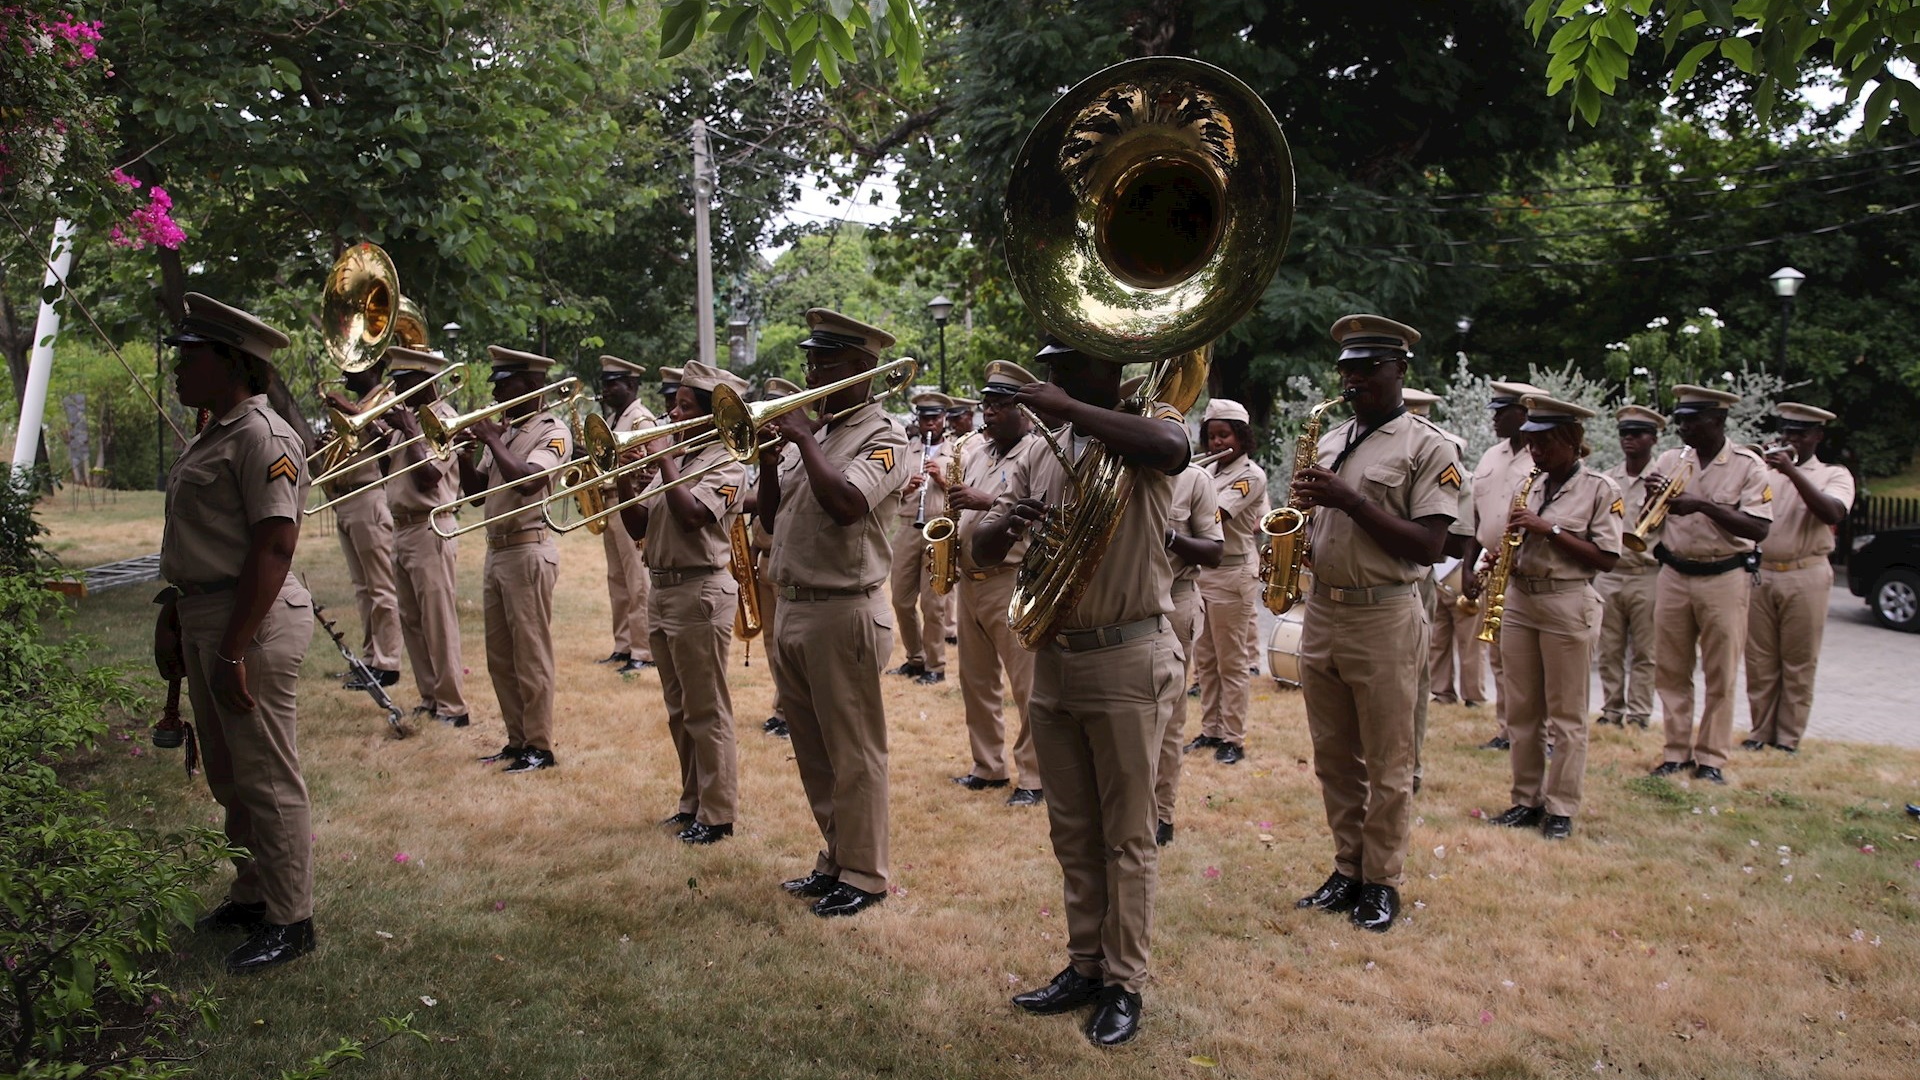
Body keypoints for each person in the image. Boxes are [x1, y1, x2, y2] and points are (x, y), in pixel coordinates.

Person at [974, 337, 1191, 1048]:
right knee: (1072, 831)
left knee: (1127, 834)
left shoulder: (1147, 423)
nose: (1051, 377)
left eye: (1067, 366)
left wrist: (1070, 409)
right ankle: (1085, 963)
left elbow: (1168, 446)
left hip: (1129, 654)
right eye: (1050, 368)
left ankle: (1124, 983)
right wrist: (1008, 521)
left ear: (1107, 368)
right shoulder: (1043, 445)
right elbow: (980, 548)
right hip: (1056, 656)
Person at [154, 293, 317, 973]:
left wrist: (229, 650)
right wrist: (177, 609)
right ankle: (253, 896)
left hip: (250, 621)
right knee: (230, 775)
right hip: (208, 612)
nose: (177, 369)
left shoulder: (262, 435)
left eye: (189, 357)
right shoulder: (216, 429)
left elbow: (274, 549)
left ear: (231, 362)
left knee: (266, 775)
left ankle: (291, 919)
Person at [1290, 315, 1459, 934]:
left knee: (1388, 760)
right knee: (1334, 756)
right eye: (1347, 369)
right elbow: (1318, 520)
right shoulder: (1332, 439)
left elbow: (1429, 546)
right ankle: (1348, 865)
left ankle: (1382, 880)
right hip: (1324, 610)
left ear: (1399, 372)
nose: (1355, 379)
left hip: (1385, 613)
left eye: (1368, 369)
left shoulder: (1429, 447)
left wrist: (1350, 501)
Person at [759, 308, 908, 919]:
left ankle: (866, 874)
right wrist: (771, 459)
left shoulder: (886, 436)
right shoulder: (816, 436)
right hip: (794, 606)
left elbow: (847, 503)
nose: (812, 371)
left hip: (844, 610)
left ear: (864, 370)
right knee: (814, 748)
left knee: (854, 751)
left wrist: (798, 438)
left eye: (827, 362)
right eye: (811, 359)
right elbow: (770, 521)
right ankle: (835, 859)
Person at [614, 360, 750, 844]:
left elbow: (692, 515)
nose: (672, 414)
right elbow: (637, 526)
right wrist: (624, 478)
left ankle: (718, 814)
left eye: (684, 407)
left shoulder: (729, 464)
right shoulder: (682, 458)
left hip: (701, 592)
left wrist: (660, 456)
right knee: (678, 708)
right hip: (664, 588)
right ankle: (691, 802)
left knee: (706, 707)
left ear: (712, 416)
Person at [1482, 396, 1621, 840]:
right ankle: (1526, 798)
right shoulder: (1531, 484)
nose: (1535, 452)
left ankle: (1561, 806)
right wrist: (1499, 555)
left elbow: (1607, 558)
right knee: (1523, 710)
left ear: (1571, 441)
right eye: (1529, 443)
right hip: (1522, 600)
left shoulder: (1600, 488)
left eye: (1543, 443)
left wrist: (1551, 530)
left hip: (1567, 601)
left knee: (1567, 714)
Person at [930, 362, 1047, 804]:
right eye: (987, 404)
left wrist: (985, 500)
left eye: (1000, 405)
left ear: (1025, 411)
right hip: (970, 581)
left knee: (1027, 686)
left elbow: (1043, 512)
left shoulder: (1038, 452)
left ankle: (1034, 777)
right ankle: (988, 766)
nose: (989, 413)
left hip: (1012, 579)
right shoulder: (977, 453)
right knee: (976, 682)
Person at [1645, 384, 1772, 785]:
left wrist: (1701, 504)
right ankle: (1676, 751)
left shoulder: (1748, 465)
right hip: (1674, 573)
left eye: (1690, 420)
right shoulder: (1669, 460)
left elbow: (1758, 527)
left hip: (1724, 575)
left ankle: (1712, 757)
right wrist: (1653, 499)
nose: (1681, 427)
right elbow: (1651, 520)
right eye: (1679, 419)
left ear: (1717, 421)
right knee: (1671, 669)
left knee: (1721, 672)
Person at [456, 347, 574, 774]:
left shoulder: (553, 429)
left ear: (534, 385)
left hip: (528, 549)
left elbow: (530, 481)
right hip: (497, 550)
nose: (497, 390)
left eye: (506, 383)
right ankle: (516, 739)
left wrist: (490, 438)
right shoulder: (505, 431)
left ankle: (539, 746)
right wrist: (465, 454)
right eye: (497, 383)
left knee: (531, 654)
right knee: (500, 656)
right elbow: (476, 494)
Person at [1744, 402, 1853, 753]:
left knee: (1798, 662)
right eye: (1787, 432)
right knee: (1760, 660)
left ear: (1817, 437)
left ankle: (1787, 739)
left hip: (1805, 574)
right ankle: (1760, 733)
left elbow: (1831, 511)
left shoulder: (1833, 474)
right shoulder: (1764, 472)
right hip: (1762, 573)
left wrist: (1792, 472)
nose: (1790, 439)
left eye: (1800, 434)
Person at [379, 346, 468, 726]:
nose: (395, 388)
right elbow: (388, 469)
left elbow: (429, 475)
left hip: (431, 526)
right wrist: (379, 431)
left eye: (403, 381)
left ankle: (453, 706)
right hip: (402, 528)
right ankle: (430, 696)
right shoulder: (410, 420)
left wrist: (411, 431)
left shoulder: (440, 420)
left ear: (425, 380)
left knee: (437, 620)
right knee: (411, 619)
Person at [1464, 379, 1549, 750]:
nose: (1495, 418)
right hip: (1492, 568)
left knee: (1533, 660)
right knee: (1499, 655)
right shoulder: (1490, 456)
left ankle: (1540, 734)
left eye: (1502, 411)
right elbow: (1474, 518)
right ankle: (1508, 730)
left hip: (1530, 568)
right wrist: (1468, 567)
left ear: (1525, 414)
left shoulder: (1546, 458)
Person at [1183, 399, 1268, 765]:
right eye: (1211, 435)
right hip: (1203, 574)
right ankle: (1211, 729)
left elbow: (1214, 514)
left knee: (1231, 662)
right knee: (1206, 660)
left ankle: (1233, 737)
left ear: (1242, 436)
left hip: (1233, 573)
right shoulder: (1208, 473)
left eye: (1224, 434)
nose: (1217, 443)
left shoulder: (1251, 475)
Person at [1154, 405, 1224, 845]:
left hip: (1174, 604)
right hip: (1123, 606)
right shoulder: (1120, 474)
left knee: (1169, 716)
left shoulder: (1196, 481)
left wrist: (1172, 538)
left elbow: (1215, 551)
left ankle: (1160, 813)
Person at [1405, 386, 1475, 795]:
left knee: (1413, 672)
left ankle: (1409, 765)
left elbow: (1453, 539)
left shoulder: (1441, 457)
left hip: (1413, 581)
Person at [319, 359, 402, 690]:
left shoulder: (386, 399)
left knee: (380, 587)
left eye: (352, 367)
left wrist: (349, 410)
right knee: (363, 587)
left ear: (373, 369)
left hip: (369, 496)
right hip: (346, 498)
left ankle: (388, 662)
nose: (345, 373)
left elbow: (387, 447)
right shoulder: (364, 405)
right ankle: (370, 660)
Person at [1594, 405, 1665, 729]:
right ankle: (1611, 710)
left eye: (1637, 434)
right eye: (1624, 434)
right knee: (1609, 649)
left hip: (1647, 575)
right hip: (1612, 574)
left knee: (1645, 651)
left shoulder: (1663, 481)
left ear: (1653, 438)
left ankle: (1638, 714)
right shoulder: (1609, 479)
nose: (1629, 440)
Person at [595, 356, 658, 674]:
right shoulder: (616, 418)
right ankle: (623, 645)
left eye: (612, 383)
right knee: (617, 579)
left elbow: (651, 466)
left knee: (636, 580)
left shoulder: (640, 420)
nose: (606, 389)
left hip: (630, 501)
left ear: (631, 385)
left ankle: (643, 650)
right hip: (611, 502)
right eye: (605, 383)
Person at [887, 391, 951, 685]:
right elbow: (890, 489)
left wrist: (941, 479)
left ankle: (935, 666)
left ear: (943, 419)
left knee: (933, 604)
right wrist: (907, 488)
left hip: (938, 533)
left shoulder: (958, 451)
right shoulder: (906, 450)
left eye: (935, 418)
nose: (929, 424)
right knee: (900, 600)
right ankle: (915, 658)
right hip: (907, 527)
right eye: (925, 419)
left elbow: (967, 490)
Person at [753, 375, 802, 740]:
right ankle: (782, 707)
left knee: (787, 644)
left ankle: (790, 711)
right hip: (763, 555)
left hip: (789, 559)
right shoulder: (761, 450)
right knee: (772, 640)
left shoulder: (801, 452)